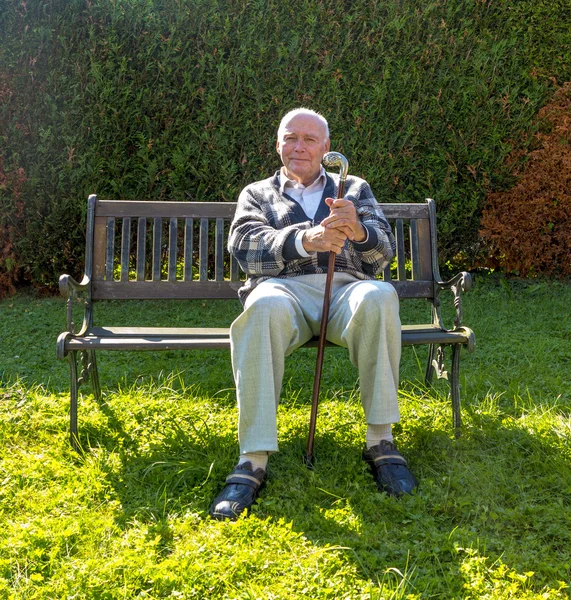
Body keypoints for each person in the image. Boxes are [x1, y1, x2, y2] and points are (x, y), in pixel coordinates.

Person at [210, 108, 418, 520]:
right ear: (278, 145)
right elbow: (245, 249)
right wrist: (307, 240)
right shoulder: (257, 193)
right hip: (282, 292)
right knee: (262, 306)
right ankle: (252, 460)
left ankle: (381, 441)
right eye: (291, 138)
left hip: (346, 292)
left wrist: (357, 231)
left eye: (309, 139)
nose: (299, 146)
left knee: (379, 294)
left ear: (326, 149)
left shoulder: (353, 187)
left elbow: (384, 252)